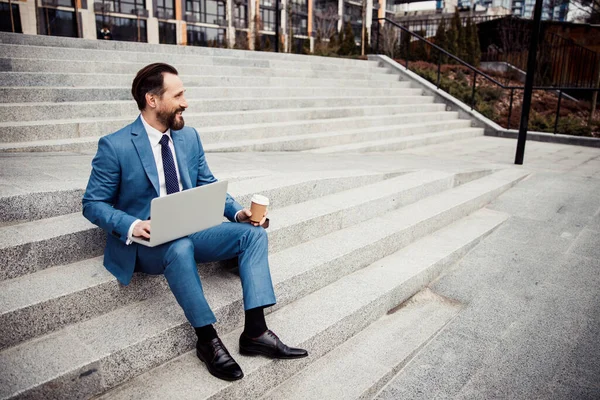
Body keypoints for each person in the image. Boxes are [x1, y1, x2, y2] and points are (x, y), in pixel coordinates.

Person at [82, 63, 307, 382]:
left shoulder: (187, 137)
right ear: (153, 100)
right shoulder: (115, 145)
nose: (185, 102)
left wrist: (238, 213)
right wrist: (132, 225)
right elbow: (92, 204)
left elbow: (206, 181)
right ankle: (207, 339)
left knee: (252, 235)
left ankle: (256, 333)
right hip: (146, 243)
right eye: (179, 95)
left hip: (189, 226)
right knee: (180, 245)